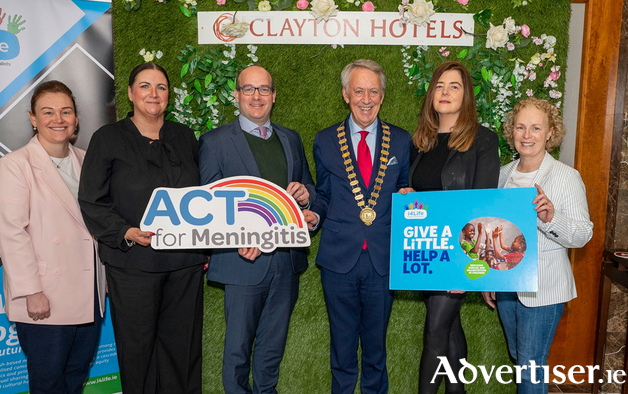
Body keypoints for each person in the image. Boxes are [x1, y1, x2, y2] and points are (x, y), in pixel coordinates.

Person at [78, 63, 206, 394]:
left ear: (169, 95)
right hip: (134, 265)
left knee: (183, 351)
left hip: (184, 264)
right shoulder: (107, 139)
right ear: (131, 93)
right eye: (145, 86)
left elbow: (203, 196)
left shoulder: (185, 137)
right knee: (138, 353)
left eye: (161, 87)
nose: (153, 93)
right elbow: (92, 200)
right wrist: (125, 232)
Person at [198, 64, 315, 394]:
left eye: (264, 89)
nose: (256, 96)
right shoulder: (215, 142)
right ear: (236, 95)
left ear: (274, 96)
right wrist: (241, 237)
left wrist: (307, 196)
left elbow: (308, 186)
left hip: (286, 261)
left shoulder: (290, 138)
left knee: (270, 352)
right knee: (237, 353)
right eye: (248, 89)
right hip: (243, 263)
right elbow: (207, 205)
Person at [303, 59, 411, 394]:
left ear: (382, 96)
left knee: (376, 349)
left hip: (383, 259)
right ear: (346, 94)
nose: (367, 99)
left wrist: (410, 197)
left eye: (374, 91)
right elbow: (322, 194)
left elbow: (406, 186)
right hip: (338, 259)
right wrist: (314, 215)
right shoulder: (324, 140)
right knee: (342, 347)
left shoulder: (402, 140)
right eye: (359, 91)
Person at [0, 80, 105, 394]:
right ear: (32, 118)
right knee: (48, 383)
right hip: (46, 296)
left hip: (88, 294)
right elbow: (12, 233)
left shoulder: (88, 160)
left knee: (76, 377)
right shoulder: (14, 165)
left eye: (66, 111)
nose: (59, 119)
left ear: (76, 118)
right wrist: (31, 291)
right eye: (48, 112)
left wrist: (103, 280)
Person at [401, 61, 500, 394]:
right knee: (449, 331)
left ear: (466, 95)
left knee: (435, 331)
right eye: (440, 86)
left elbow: (483, 206)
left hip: (459, 257)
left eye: (454, 86)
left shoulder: (483, 140)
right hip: (428, 254)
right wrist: (410, 196)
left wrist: (464, 269)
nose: (445, 92)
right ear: (431, 94)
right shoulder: (421, 142)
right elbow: (427, 198)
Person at [482, 97, 593, 394]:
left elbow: (582, 234)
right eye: (520, 127)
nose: (527, 135)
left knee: (531, 364)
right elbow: (495, 230)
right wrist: (490, 277)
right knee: (521, 359)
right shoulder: (502, 175)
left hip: (544, 288)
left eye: (535, 128)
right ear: (512, 131)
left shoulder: (566, 177)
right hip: (508, 285)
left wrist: (551, 217)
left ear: (550, 132)